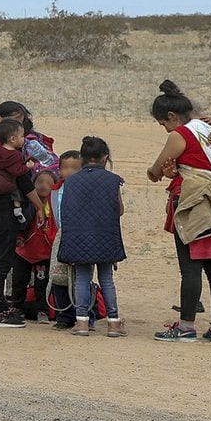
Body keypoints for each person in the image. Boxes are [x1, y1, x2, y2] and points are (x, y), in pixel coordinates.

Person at [147, 80, 211, 343]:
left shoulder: (180, 135)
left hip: (191, 203)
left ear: (172, 116)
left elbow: (157, 169)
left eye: (163, 123)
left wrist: (156, 173)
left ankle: (187, 326)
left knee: (190, 268)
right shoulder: (207, 130)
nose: (164, 128)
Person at [57, 136, 125, 337]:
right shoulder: (113, 180)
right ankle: (113, 323)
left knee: (82, 279)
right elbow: (119, 210)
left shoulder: (71, 182)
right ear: (105, 157)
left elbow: (66, 211)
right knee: (107, 280)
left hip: (78, 237)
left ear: (83, 158)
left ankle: (82, 323)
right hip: (105, 235)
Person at [0, 117, 36, 327]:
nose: (24, 137)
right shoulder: (13, 157)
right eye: (21, 134)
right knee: (1, 264)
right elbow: (23, 180)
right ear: (12, 137)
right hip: (4, 209)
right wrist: (39, 207)